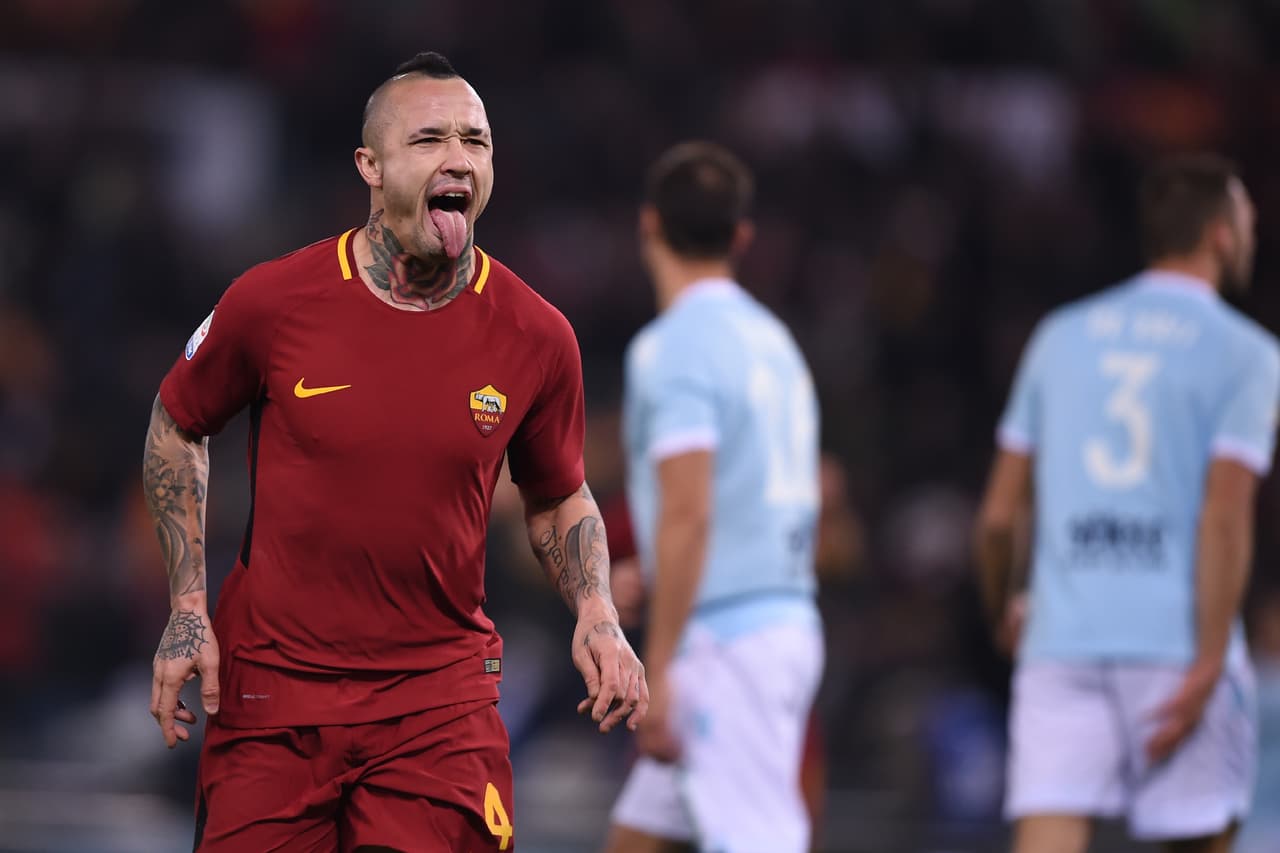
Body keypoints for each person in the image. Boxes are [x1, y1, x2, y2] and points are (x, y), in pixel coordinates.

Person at [143, 51, 648, 853]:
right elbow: (177, 424)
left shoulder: (537, 334)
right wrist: (185, 607)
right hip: (274, 697)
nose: (458, 158)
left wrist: (597, 610)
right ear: (370, 166)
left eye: (476, 142)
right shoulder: (275, 302)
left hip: (437, 707)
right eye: (430, 139)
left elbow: (557, 492)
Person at [975, 153, 1278, 853]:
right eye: (1250, 222)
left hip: (1063, 636)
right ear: (1221, 235)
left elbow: (997, 516)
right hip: (1175, 640)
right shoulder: (1249, 355)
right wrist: (1207, 660)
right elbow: (1225, 517)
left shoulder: (1060, 335)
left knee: (1047, 834)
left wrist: (1011, 603)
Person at [606, 142, 824, 853]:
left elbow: (689, 509)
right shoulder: (778, 345)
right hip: (774, 614)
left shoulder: (672, 349)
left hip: (725, 640)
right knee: (637, 838)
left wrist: (659, 664)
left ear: (648, 226)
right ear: (741, 237)